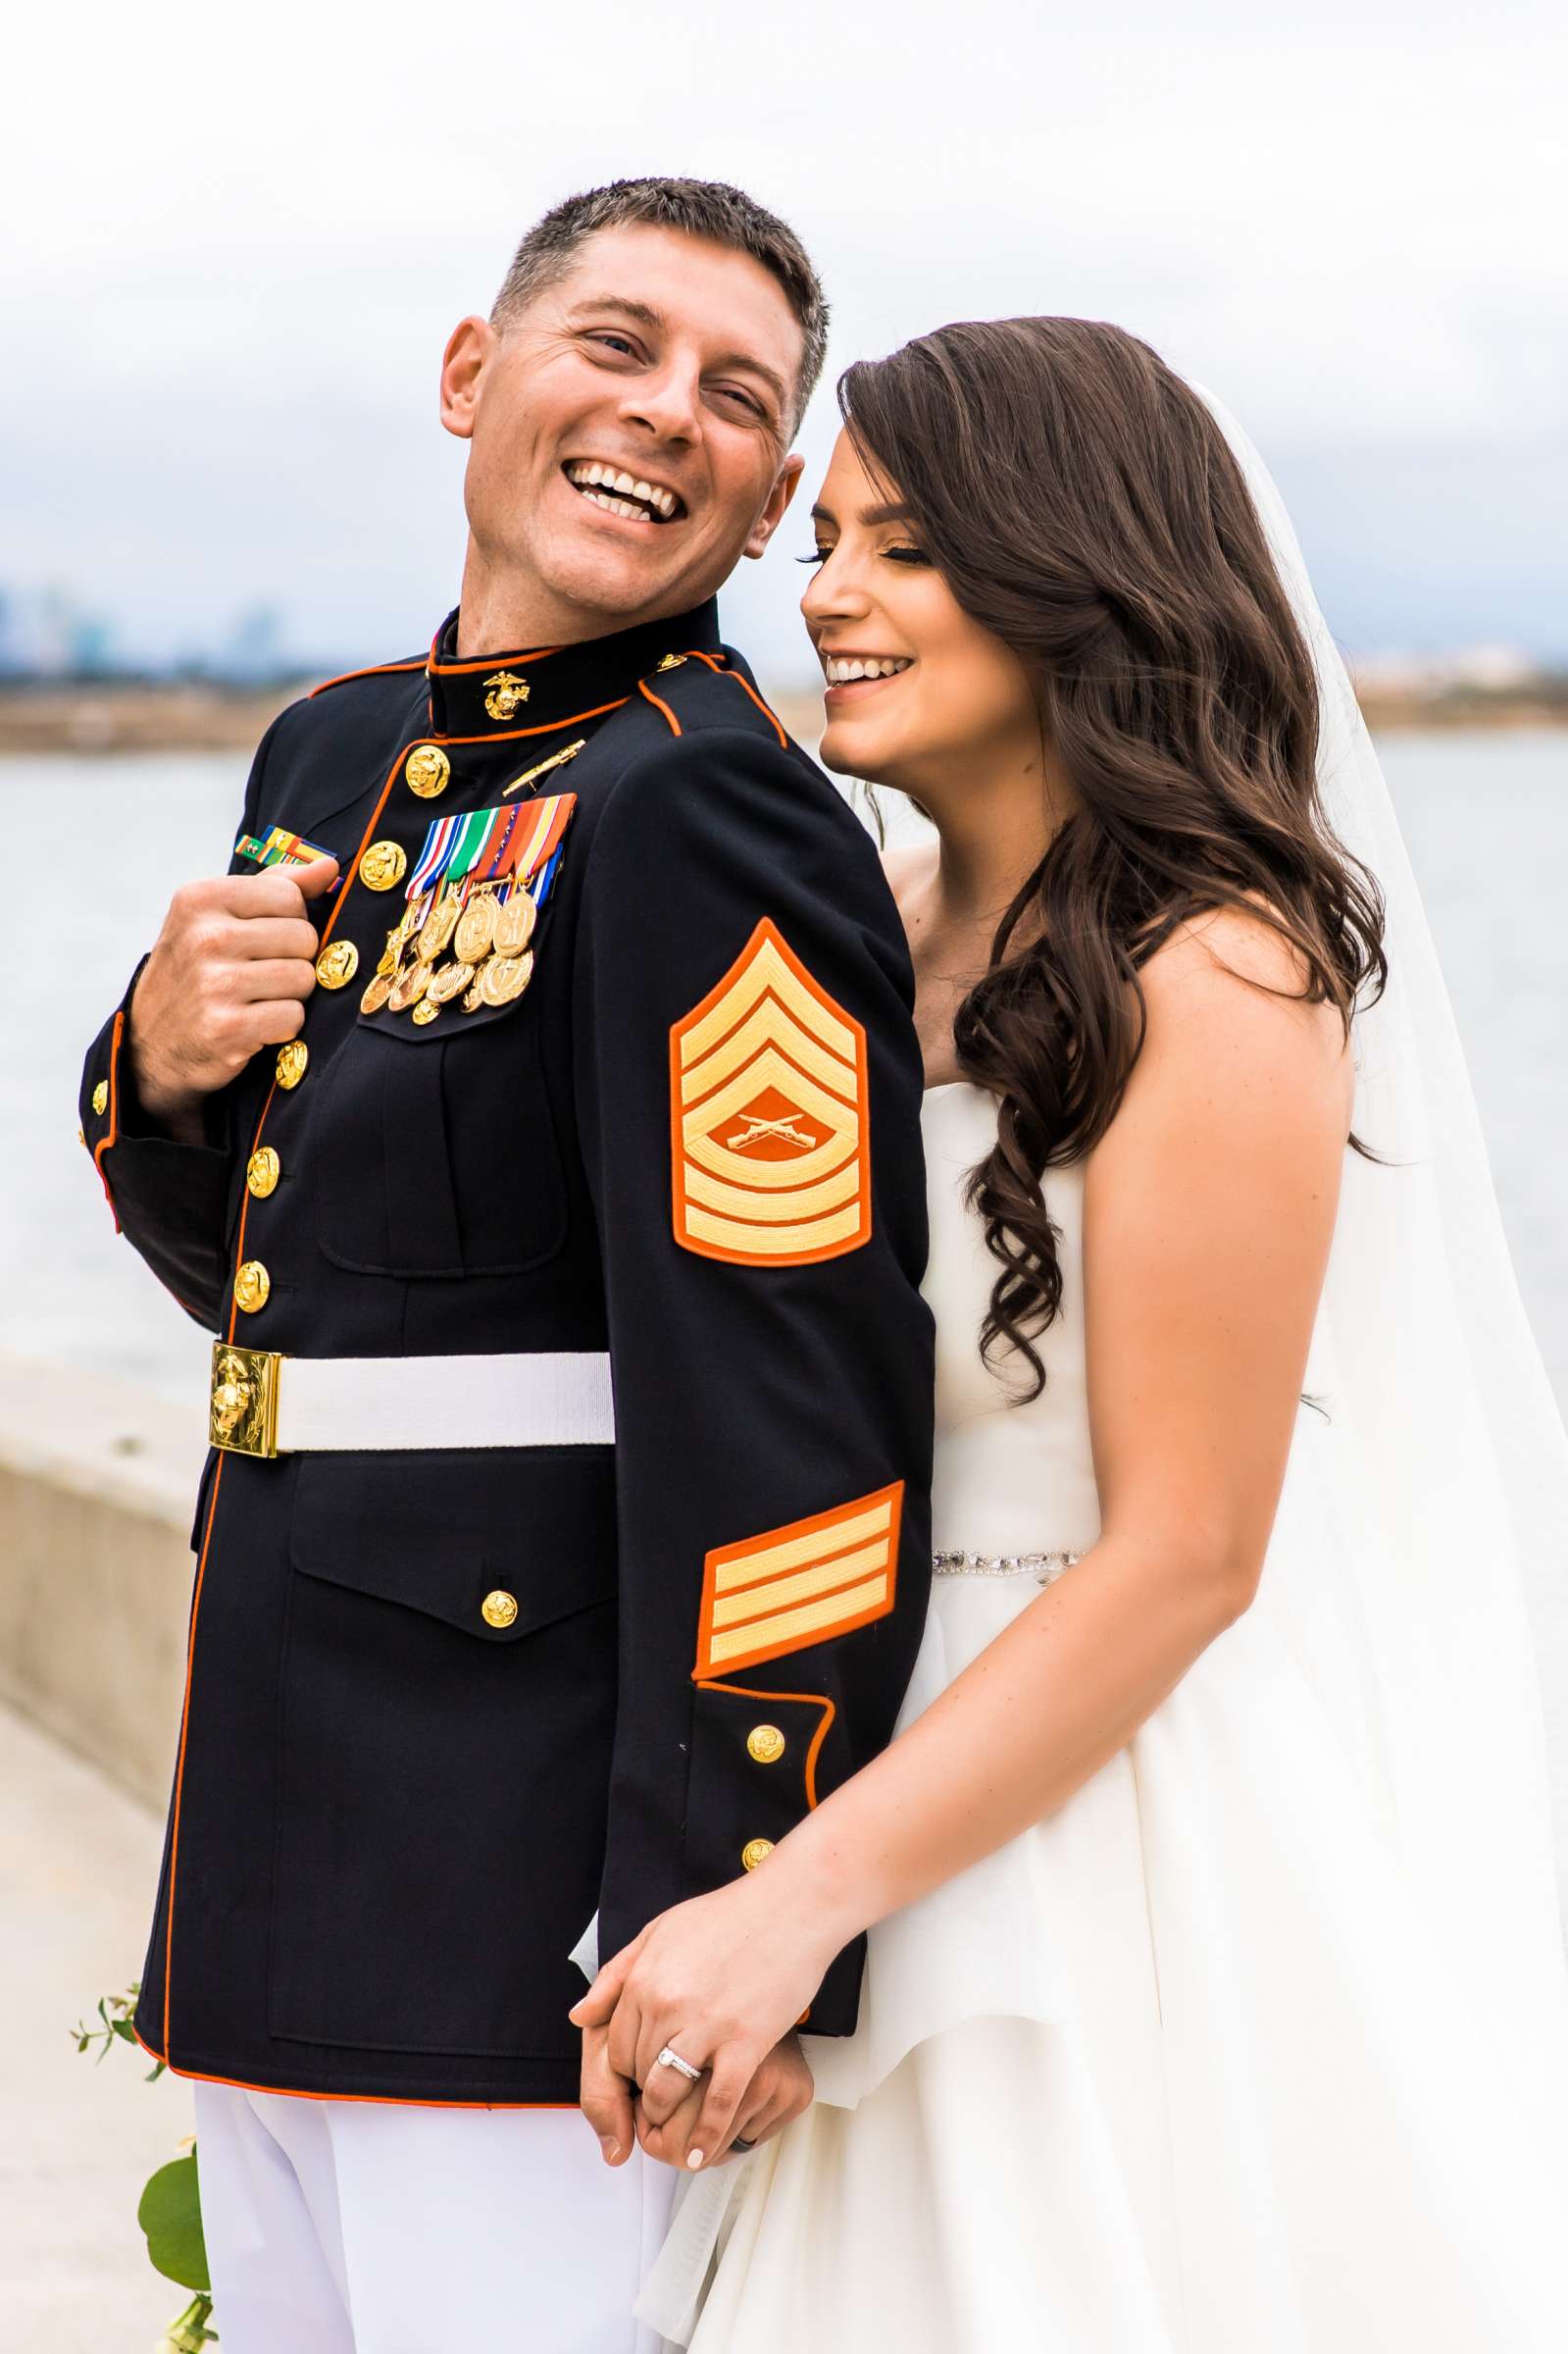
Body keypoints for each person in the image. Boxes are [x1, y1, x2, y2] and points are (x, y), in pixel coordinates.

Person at [574, 318, 1568, 2350]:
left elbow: (1189, 1551)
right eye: (824, 543)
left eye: (901, 547)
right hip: (831, 1769)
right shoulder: (856, 931)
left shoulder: (1218, 970)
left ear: (1071, 572)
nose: (825, 593)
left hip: (1094, 1831)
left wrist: (798, 1903)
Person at [76, 178, 936, 2354]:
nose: (668, 414)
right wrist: (162, 1074)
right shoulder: (336, 752)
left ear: (759, 509)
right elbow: (302, 1298)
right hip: (279, 1829)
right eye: (617, 344)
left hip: (527, 1891)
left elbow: (796, 1415)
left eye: (740, 398)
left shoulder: (706, 809)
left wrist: (724, 1913)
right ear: (473, 373)